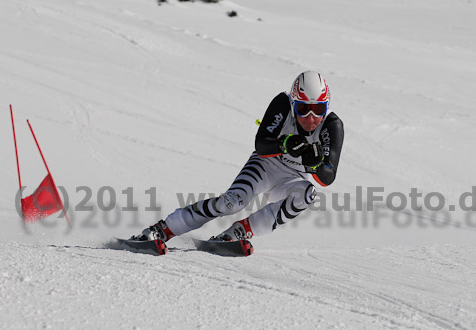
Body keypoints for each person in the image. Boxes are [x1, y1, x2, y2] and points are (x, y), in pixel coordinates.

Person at [134, 71, 344, 243]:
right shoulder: (282, 103)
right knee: (232, 203)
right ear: (293, 103)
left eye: (318, 109)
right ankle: (165, 228)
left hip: (292, 179)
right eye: (303, 108)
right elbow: (261, 144)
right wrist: (284, 143)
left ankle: (242, 231)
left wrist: (316, 165)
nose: (311, 117)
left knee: (308, 193)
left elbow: (328, 176)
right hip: (266, 165)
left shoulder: (332, 125)